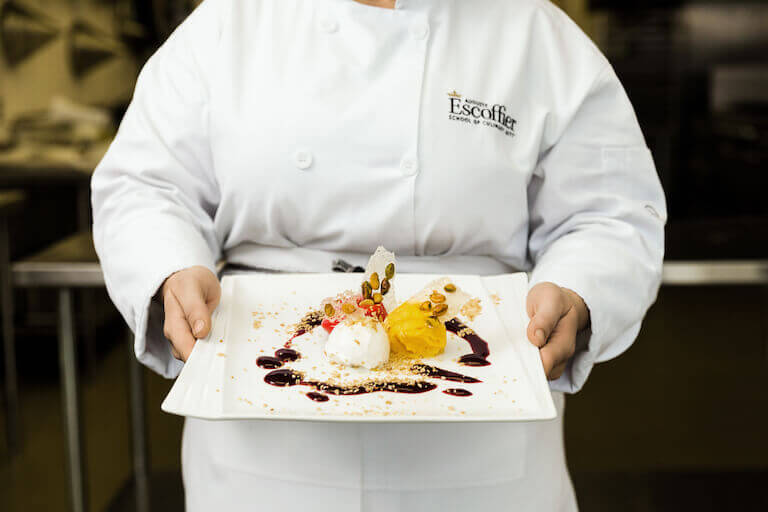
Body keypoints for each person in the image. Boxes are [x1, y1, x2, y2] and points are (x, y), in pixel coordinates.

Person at [91, 0, 666, 510]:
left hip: (482, 435)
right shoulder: (226, 25)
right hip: (260, 442)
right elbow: (145, 187)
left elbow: (608, 212)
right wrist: (171, 265)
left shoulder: (537, 34)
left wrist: (576, 288)